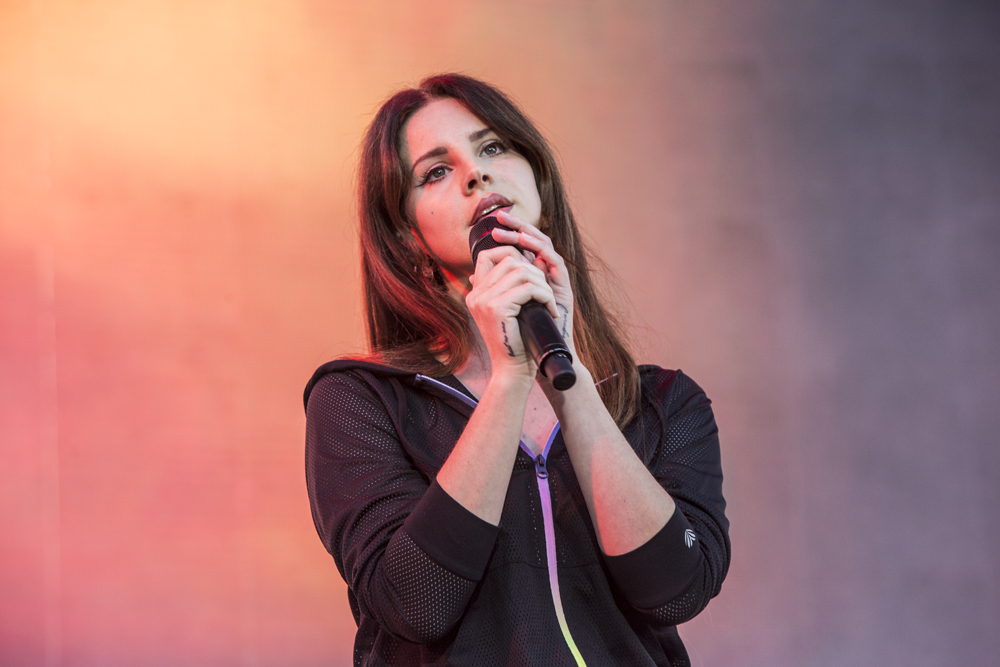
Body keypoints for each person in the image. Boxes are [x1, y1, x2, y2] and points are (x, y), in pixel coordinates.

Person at [304, 74, 730, 667]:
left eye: (492, 147)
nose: (476, 174)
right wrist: (509, 380)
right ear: (407, 236)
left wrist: (571, 382)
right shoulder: (360, 400)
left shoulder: (661, 401)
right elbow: (415, 604)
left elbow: (677, 590)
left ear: (538, 181)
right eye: (436, 171)